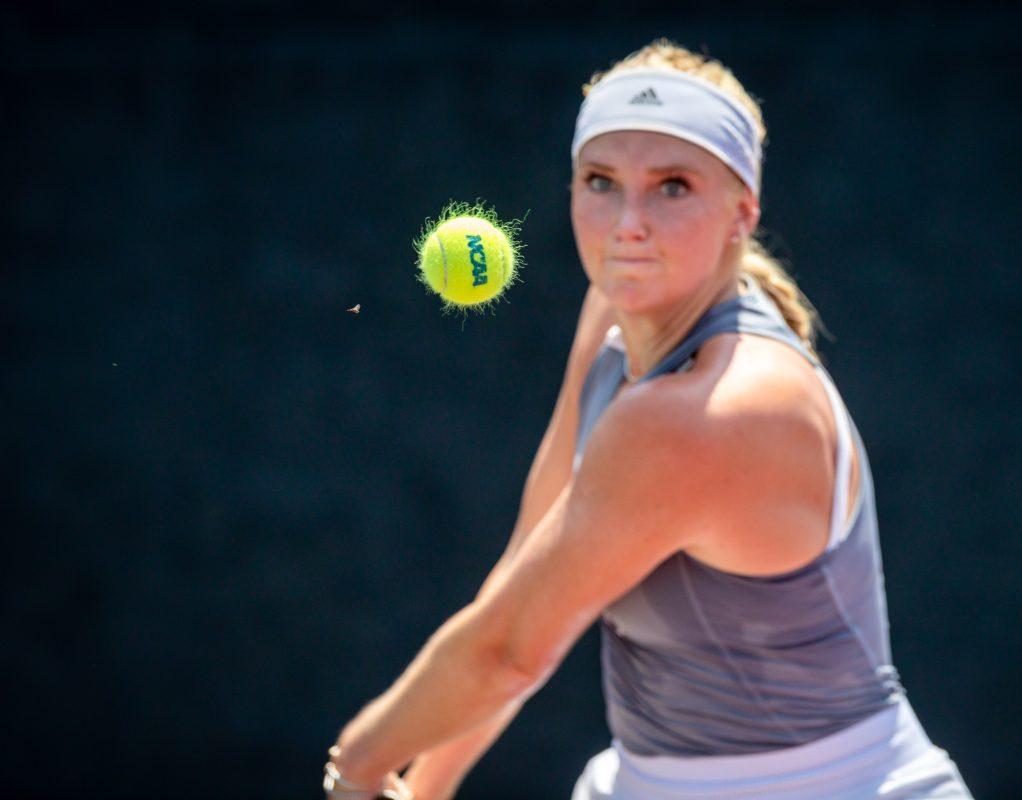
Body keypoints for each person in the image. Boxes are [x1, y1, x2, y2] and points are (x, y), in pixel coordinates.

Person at [325, 40, 974, 800]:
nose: (627, 223)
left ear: (743, 212)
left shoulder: (706, 413)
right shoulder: (615, 315)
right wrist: (427, 788)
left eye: (672, 186)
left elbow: (508, 650)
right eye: (601, 182)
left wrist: (358, 765)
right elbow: (523, 584)